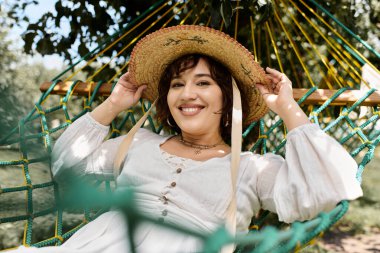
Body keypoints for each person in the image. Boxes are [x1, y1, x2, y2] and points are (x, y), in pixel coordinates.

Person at [10, 25, 362, 253]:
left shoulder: (253, 169)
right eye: (177, 84)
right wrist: (113, 104)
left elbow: (328, 190)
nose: (186, 94)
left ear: (228, 98)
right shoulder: (138, 143)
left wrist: (287, 109)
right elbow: (65, 166)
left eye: (203, 83)